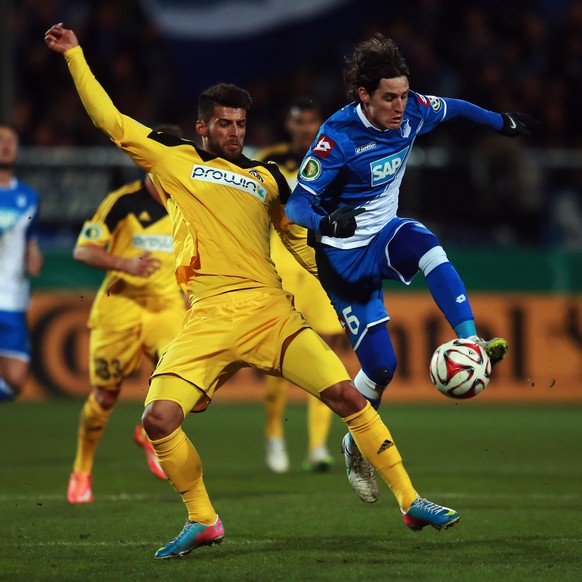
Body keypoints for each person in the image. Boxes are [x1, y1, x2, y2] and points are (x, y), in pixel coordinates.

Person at [46, 23, 462, 560]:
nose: (234, 133)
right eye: (224, 124)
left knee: (348, 396)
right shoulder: (175, 159)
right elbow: (111, 121)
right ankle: (202, 518)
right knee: (157, 421)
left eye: (241, 124)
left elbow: (300, 243)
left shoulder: (269, 178)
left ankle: (410, 499)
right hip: (209, 319)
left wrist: (348, 277)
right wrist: (77, 55)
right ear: (202, 127)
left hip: (271, 313)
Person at [285, 33, 539, 503]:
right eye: (389, 98)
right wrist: (326, 222)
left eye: (404, 95)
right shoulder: (336, 137)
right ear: (364, 96)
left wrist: (500, 122)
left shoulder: (414, 109)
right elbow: (296, 207)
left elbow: (457, 107)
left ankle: (468, 338)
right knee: (382, 366)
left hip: (385, 235)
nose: (400, 107)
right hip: (343, 260)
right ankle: (354, 443)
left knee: (427, 245)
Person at [66, 134, 189, 503]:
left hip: (167, 308)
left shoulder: (188, 203)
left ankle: (148, 431)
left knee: (184, 385)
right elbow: (83, 250)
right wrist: (124, 263)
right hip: (119, 308)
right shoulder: (122, 202)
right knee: (105, 396)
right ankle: (82, 470)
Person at [255, 99, 345, 473]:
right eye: (299, 122)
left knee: (325, 351)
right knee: (278, 358)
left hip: (319, 261)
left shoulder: (335, 157)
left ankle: (317, 447)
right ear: (289, 126)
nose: (305, 128)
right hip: (280, 259)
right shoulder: (269, 159)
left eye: (311, 122)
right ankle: (275, 434)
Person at [0, 124, 43, 402]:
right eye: (0, 140)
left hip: (12, 297)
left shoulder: (28, 197)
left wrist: (33, 254)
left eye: (11, 140)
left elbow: (30, 237)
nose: (6, 145)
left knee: (16, 380)